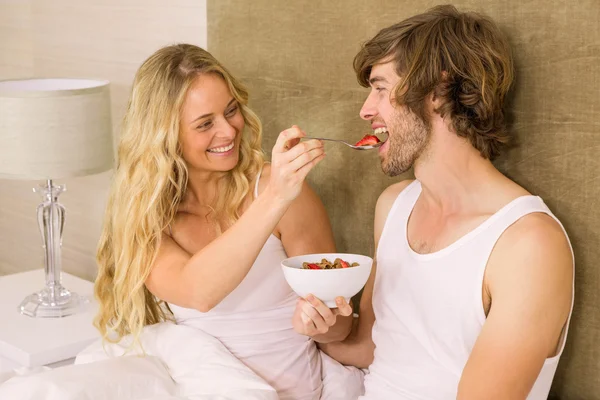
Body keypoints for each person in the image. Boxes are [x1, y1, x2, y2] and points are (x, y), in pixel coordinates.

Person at [292, 5, 574, 399]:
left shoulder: (527, 245)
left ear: (439, 90)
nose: (365, 109)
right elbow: (372, 347)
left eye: (381, 88)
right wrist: (326, 330)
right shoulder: (393, 206)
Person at [94, 43, 353, 400]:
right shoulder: (147, 220)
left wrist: (322, 326)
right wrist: (274, 198)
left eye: (231, 110)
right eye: (205, 124)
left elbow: (339, 328)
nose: (229, 132)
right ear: (165, 137)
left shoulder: (286, 194)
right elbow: (197, 292)